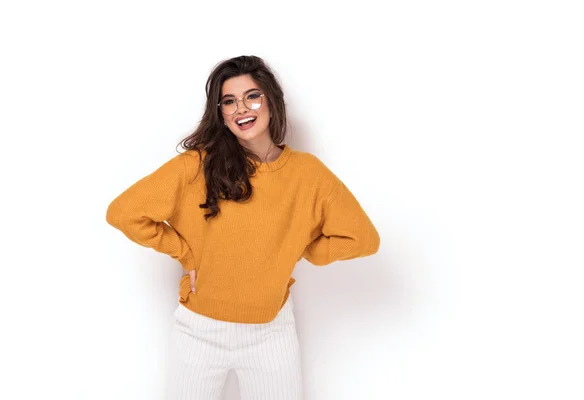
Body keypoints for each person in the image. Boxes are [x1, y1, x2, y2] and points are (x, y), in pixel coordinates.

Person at [105, 55, 380, 400]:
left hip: (271, 333)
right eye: (229, 101)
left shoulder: (307, 174)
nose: (241, 109)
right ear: (220, 113)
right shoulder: (195, 166)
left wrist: (301, 245)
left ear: (271, 100)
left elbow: (363, 238)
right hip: (198, 331)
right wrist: (185, 254)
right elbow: (122, 212)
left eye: (252, 96)